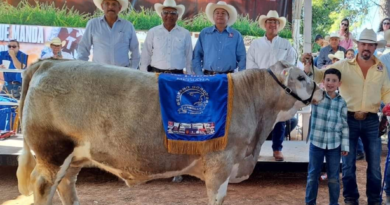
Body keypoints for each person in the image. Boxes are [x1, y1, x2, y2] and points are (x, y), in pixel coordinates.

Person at [302, 28, 390, 205]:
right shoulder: (343, 65)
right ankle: (351, 199)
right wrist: (309, 65)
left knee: (374, 167)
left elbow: (386, 92)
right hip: (347, 121)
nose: (366, 47)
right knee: (348, 166)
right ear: (358, 45)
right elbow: (321, 75)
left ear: (374, 47)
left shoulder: (381, 68)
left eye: (370, 45)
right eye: (363, 44)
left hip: (372, 121)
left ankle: (374, 200)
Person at [246, 10, 297, 161]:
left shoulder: (285, 44)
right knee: (257, 119)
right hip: (260, 86)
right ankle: (254, 149)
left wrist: (281, 77)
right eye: (269, 21)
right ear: (265, 24)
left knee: (279, 119)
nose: (272, 24)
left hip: (279, 87)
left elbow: (291, 64)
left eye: (275, 22)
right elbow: (250, 64)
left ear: (278, 25)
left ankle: (277, 149)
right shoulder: (256, 44)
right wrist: (261, 78)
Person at [305, 68, 349, 205]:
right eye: (328, 80)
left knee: (334, 178)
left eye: (334, 80)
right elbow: (306, 87)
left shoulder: (342, 103)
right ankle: (310, 202)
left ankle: (334, 203)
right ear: (323, 81)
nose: (330, 83)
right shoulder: (317, 96)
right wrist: (307, 69)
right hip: (316, 143)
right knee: (312, 175)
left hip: (334, 145)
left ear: (339, 84)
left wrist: (345, 145)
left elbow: (344, 125)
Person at [77, 0, 140, 68]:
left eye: (114, 4)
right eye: (107, 4)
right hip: (98, 72)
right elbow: (83, 48)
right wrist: (82, 68)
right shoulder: (93, 24)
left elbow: (135, 50)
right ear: (102, 6)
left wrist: (131, 70)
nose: (110, 7)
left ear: (119, 8)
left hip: (122, 73)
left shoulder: (128, 26)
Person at [192, 1, 246, 75]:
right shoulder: (205, 33)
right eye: (217, 13)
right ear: (213, 16)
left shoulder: (236, 35)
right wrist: (200, 74)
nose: (220, 15)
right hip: (208, 77)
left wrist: (240, 76)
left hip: (229, 78)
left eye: (223, 13)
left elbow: (242, 58)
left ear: (228, 17)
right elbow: (196, 56)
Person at [140, 0, 192, 74]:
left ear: (177, 16)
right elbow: (146, 54)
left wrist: (189, 75)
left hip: (177, 75)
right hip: (156, 74)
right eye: (166, 12)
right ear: (161, 15)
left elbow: (189, 57)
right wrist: (143, 73)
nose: (169, 15)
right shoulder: (153, 32)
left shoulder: (185, 33)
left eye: (173, 13)